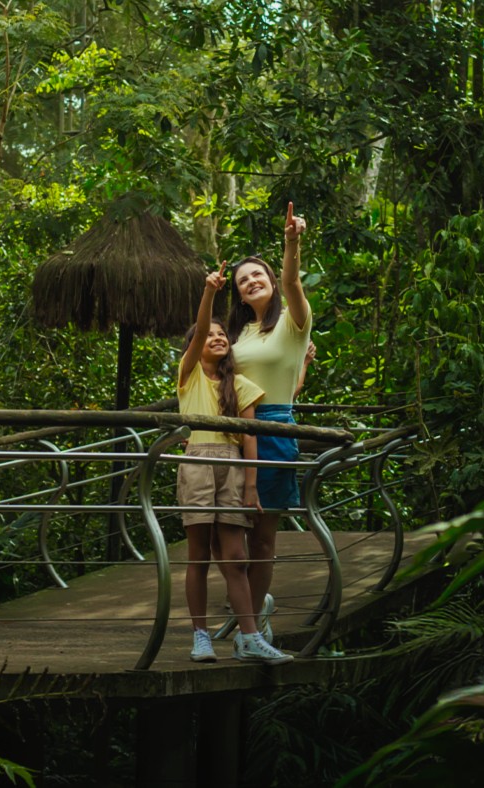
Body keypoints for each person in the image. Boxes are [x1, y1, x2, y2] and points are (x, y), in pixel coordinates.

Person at [176, 259, 294, 665]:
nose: (216, 337)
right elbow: (200, 329)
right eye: (207, 334)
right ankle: (200, 635)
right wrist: (210, 291)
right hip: (198, 463)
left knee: (236, 556)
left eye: (222, 334)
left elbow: (249, 436)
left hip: (232, 465)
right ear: (194, 345)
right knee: (198, 556)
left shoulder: (240, 384)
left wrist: (249, 486)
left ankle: (249, 636)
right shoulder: (189, 375)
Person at [226, 202, 311, 644]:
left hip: (274, 432)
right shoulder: (239, 334)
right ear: (238, 294)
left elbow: (295, 279)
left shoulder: (292, 324)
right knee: (230, 535)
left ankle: (254, 623)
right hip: (231, 431)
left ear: (272, 280)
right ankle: (248, 609)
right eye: (243, 280)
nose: (251, 281)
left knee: (261, 535)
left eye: (257, 274)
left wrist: (291, 241)